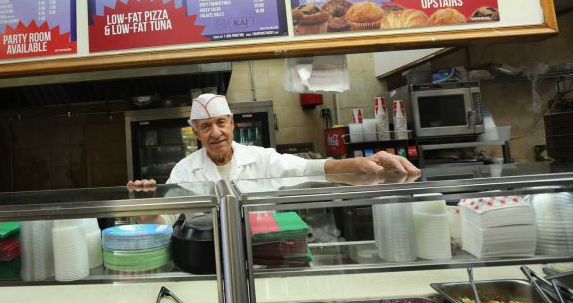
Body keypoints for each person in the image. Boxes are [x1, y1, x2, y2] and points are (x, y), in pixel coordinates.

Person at [128, 93, 419, 191]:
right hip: (206, 257)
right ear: (196, 132)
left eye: (220, 123)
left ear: (232, 124)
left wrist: (365, 161)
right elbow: (164, 220)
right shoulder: (183, 170)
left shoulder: (262, 158)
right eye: (205, 127)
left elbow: (311, 169)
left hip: (262, 251)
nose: (215, 132)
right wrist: (145, 202)